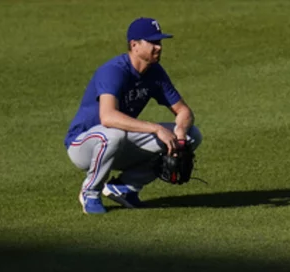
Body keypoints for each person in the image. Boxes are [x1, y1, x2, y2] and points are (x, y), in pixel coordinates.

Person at [64, 17, 203, 214]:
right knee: (114, 134)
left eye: (160, 42)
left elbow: (184, 111)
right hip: (83, 144)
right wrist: (156, 128)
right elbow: (108, 117)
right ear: (134, 45)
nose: (159, 47)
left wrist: (179, 134)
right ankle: (90, 192)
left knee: (191, 135)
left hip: (117, 144)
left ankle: (125, 187)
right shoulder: (114, 70)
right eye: (153, 42)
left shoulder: (155, 72)